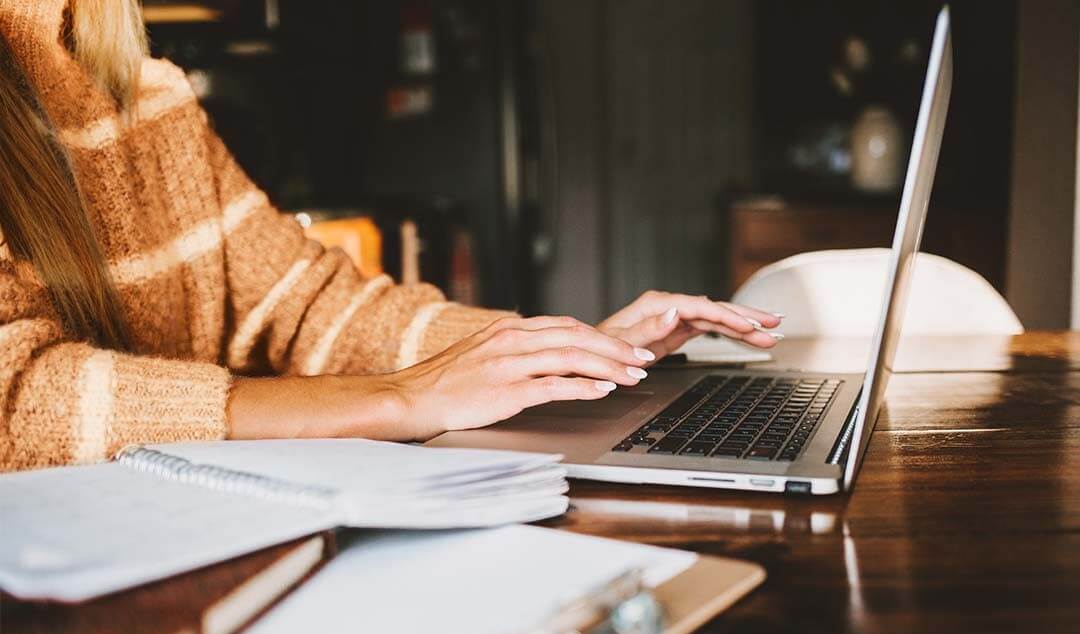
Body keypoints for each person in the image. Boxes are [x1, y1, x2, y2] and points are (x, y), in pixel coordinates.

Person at [0, 0, 782, 472]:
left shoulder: (146, 97)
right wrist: (397, 398)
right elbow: (17, 403)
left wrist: (545, 350)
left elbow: (307, 303)